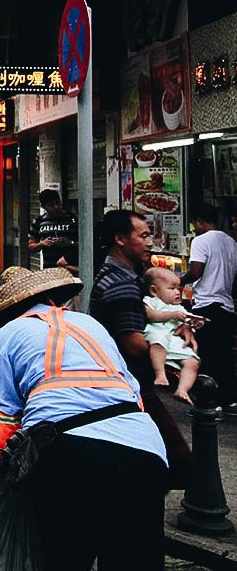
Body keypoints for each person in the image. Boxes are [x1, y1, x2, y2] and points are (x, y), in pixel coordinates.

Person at [0, 266, 167, 570]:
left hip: (66, 451)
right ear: (54, 298)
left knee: (63, 557)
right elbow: (132, 392)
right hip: (145, 450)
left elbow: (3, 415)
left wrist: (5, 472)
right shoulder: (90, 324)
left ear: (9, 309)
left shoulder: (7, 335)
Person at [90, 208, 195, 489]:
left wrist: (178, 326)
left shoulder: (129, 277)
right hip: (130, 385)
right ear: (120, 239)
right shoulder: (122, 283)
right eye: (144, 235)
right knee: (177, 464)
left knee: (147, 463)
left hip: (123, 385)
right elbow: (135, 345)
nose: (150, 241)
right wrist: (179, 358)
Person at [179, 202, 237, 410]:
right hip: (226, 305)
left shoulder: (200, 241)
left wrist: (180, 281)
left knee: (207, 354)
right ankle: (230, 398)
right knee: (224, 353)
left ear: (200, 222)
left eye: (195, 224)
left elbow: (196, 271)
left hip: (206, 304)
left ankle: (210, 402)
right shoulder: (231, 241)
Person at [142, 267, 201, 404]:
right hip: (157, 332)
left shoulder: (179, 308)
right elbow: (151, 315)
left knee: (193, 361)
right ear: (154, 291)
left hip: (173, 338)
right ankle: (160, 373)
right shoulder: (151, 301)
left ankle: (183, 389)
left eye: (178, 288)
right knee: (158, 340)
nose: (177, 292)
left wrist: (195, 323)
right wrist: (172, 315)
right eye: (172, 288)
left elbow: (188, 322)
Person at [27, 188, 78, 272]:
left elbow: (87, 245)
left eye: (58, 203)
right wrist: (42, 244)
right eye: (51, 205)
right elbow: (30, 247)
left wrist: (70, 243)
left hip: (71, 270)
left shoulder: (72, 219)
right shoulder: (38, 221)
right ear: (43, 206)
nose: (56, 207)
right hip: (49, 272)